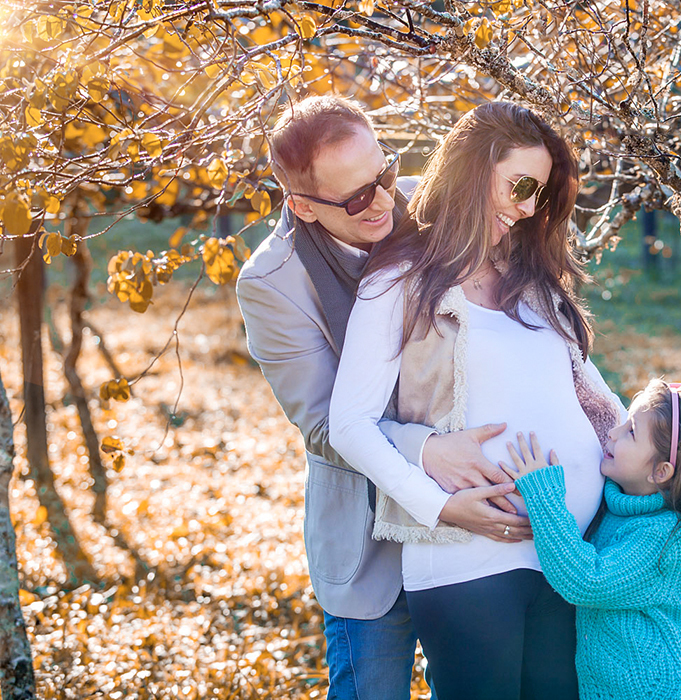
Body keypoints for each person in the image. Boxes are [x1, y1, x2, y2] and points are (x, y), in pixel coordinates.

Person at [236, 95, 532, 700]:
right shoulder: (271, 283)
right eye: (353, 198)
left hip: (484, 514)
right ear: (301, 206)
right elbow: (322, 423)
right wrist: (427, 451)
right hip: (369, 543)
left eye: (385, 174)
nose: (383, 202)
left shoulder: (435, 211)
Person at [328, 102, 625, 699]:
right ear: (476, 167)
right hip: (470, 556)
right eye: (520, 186)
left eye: (538, 195)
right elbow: (349, 425)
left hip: (570, 556)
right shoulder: (401, 281)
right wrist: (437, 508)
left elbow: (595, 401)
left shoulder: (534, 284)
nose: (526, 208)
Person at [501, 379, 681, 700]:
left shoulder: (661, 538)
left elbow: (586, 582)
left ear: (661, 471)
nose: (613, 432)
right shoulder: (621, 510)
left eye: (631, 432)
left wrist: (544, 496)